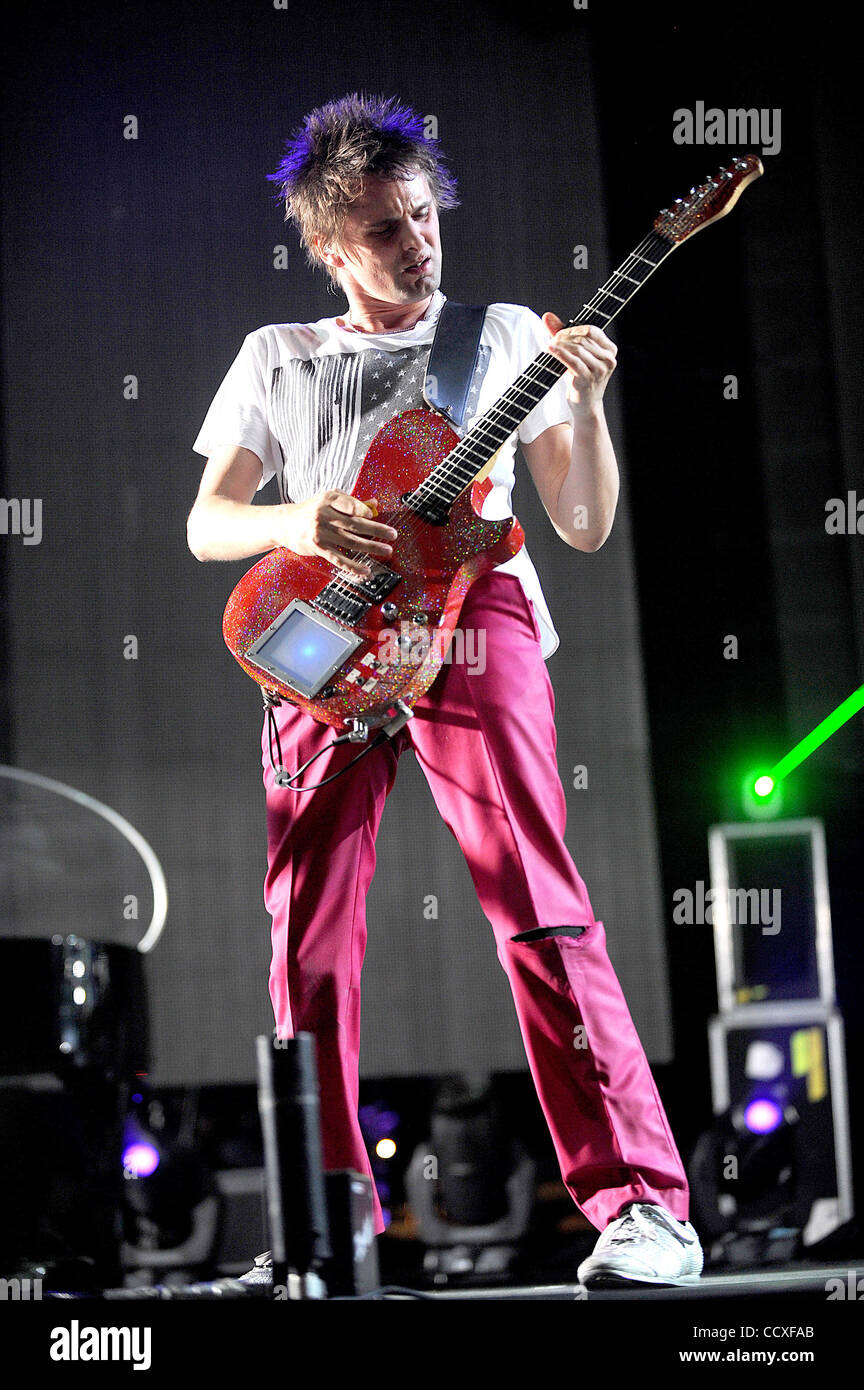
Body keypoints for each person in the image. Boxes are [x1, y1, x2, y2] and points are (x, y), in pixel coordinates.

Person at [187, 93, 702, 1288]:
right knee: (304, 939)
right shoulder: (278, 355)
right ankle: (320, 1231)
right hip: (322, 638)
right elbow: (209, 523)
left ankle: (642, 1207)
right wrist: (300, 515)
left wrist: (583, 400)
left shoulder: (509, 331)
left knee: (534, 890)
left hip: (479, 617)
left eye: (422, 216)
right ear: (326, 245)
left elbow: (578, 524)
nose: (415, 243)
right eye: (380, 230)